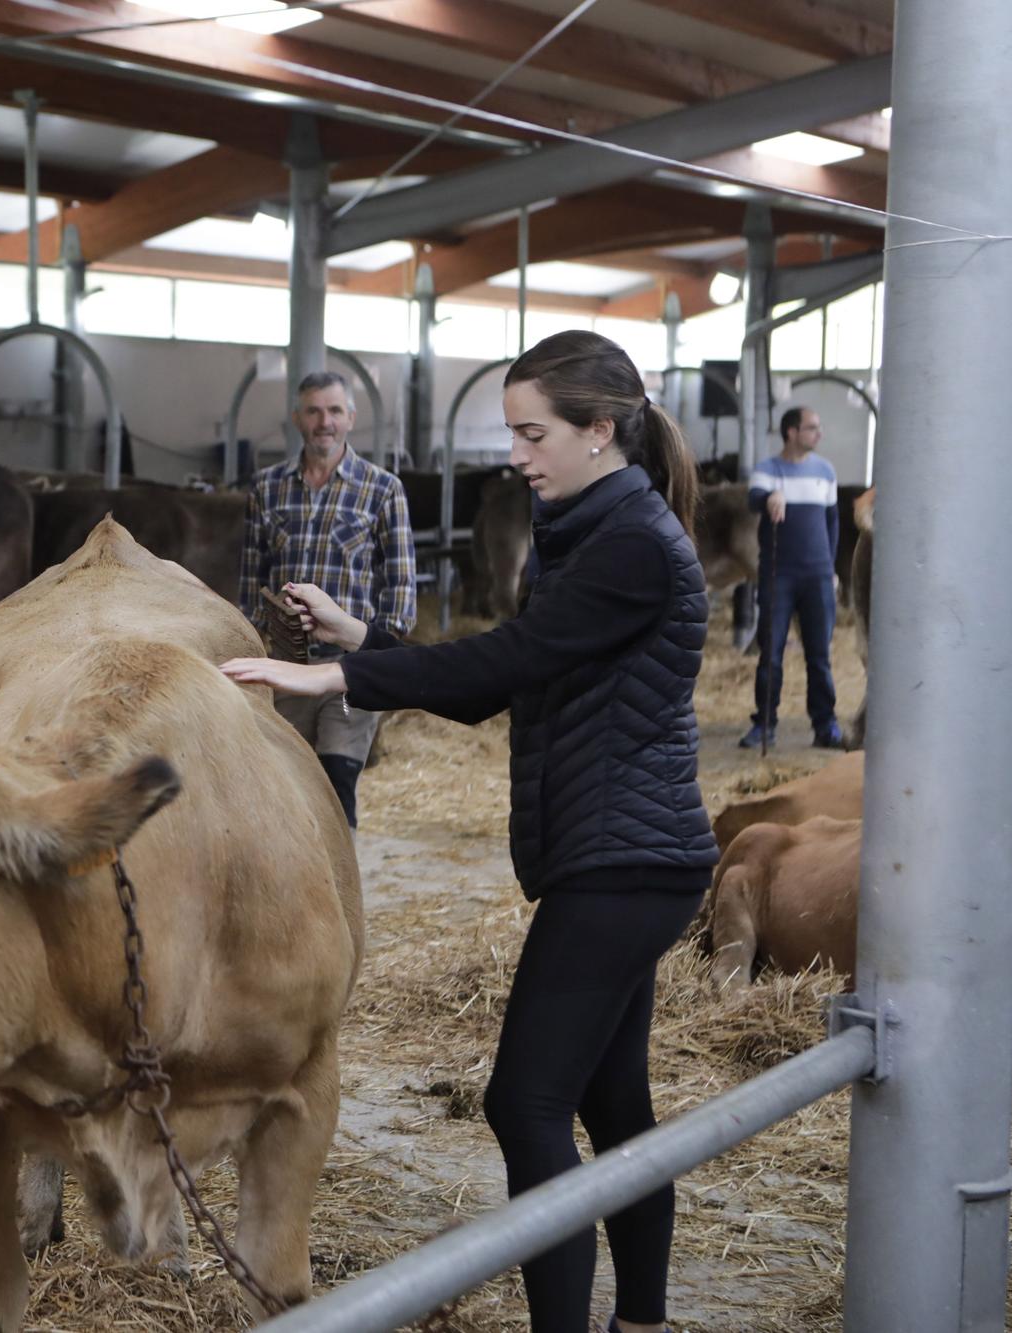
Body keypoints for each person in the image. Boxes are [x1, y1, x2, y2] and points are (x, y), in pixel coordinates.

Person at [222, 330, 716, 1333]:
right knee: (609, 1101)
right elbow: (505, 679)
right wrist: (359, 636)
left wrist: (335, 677)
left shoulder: (628, 542)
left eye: (532, 433)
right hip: (619, 852)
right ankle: (644, 1322)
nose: (515, 454)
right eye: (512, 432)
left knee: (523, 1102)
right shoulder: (589, 523)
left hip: (624, 860)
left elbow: (503, 662)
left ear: (600, 430)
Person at [236, 370, 415, 828]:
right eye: (313, 411)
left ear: (351, 418)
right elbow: (251, 574)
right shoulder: (267, 487)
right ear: (297, 418)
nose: (324, 422)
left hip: (347, 669)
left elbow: (400, 583)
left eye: (334, 410)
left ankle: (339, 895)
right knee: (282, 784)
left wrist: (383, 655)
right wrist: (257, 638)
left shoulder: (382, 489)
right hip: (287, 666)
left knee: (337, 783)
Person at [741, 407, 843, 749]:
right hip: (778, 574)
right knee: (771, 652)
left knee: (819, 655)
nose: (819, 434)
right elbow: (754, 499)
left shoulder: (825, 472)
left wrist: (830, 568)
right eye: (812, 428)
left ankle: (825, 725)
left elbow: (832, 524)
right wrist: (771, 496)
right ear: (791, 432)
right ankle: (765, 725)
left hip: (817, 576)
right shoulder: (768, 470)